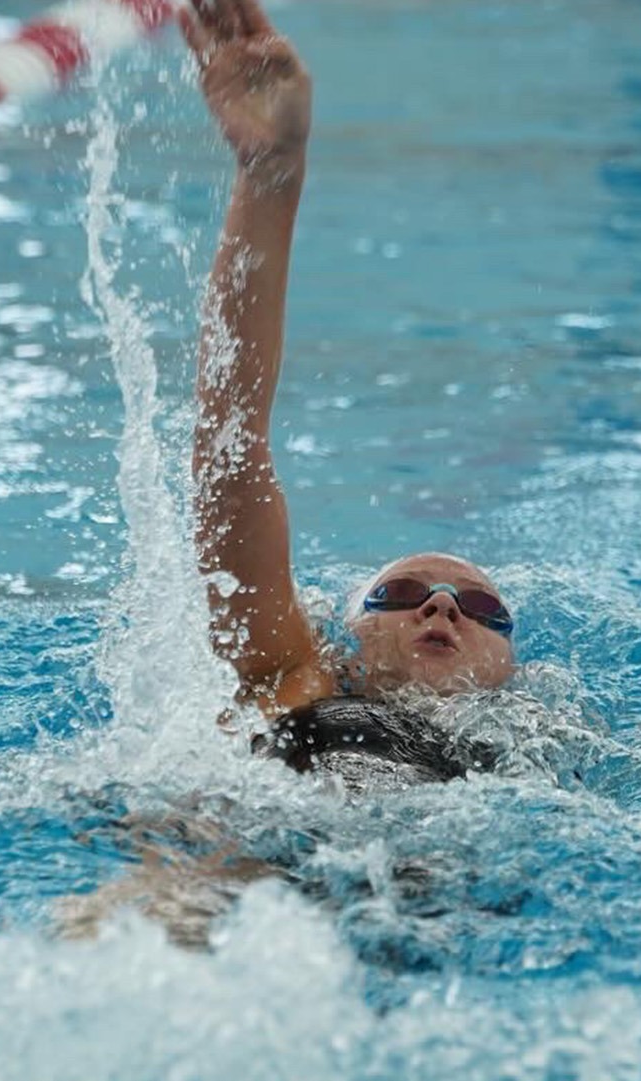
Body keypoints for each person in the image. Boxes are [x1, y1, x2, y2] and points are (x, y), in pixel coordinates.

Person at [182, 0, 519, 787]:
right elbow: (230, 450)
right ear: (341, 637)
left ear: (512, 666)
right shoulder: (297, 676)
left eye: (479, 610)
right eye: (399, 595)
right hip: (252, 861)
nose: (440, 609)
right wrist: (270, 176)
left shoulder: (545, 760)